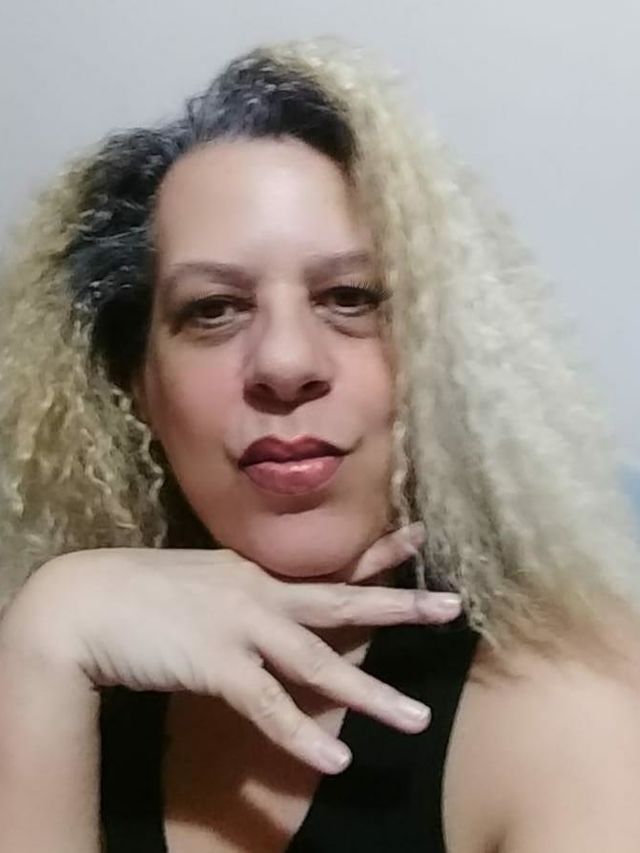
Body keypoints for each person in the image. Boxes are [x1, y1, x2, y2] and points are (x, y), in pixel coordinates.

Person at [0, 37, 639, 853]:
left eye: (349, 297)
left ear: (439, 357)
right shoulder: (56, 653)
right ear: (136, 388)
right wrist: (48, 637)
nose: (285, 363)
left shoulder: (568, 701)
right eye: (213, 309)